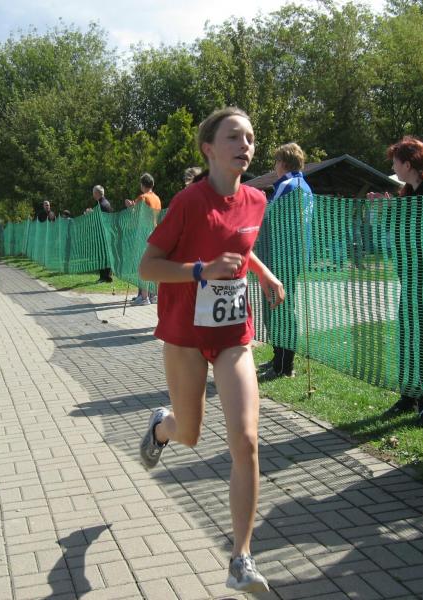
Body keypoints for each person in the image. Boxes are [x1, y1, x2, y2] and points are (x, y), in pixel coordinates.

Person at [137, 107, 284, 593]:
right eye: (234, 137)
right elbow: (148, 267)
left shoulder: (257, 199)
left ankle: (241, 557)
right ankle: (161, 427)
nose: (245, 146)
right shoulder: (187, 202)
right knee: (190, 432)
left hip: (232, 334)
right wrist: (199, 270)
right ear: (209, 149)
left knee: (246, 440)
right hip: (184, 333)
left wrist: (263, 274)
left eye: (250, 138)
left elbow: (239, 244)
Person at [368, 137, 423, 425]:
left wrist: (394, 210)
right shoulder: (406, 192)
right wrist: (387, 209)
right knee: (409, 331)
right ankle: (410, 395)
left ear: (407, 164)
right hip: (412, 273)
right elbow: (399, 229)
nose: (392, 167)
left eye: (395, 162)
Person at [257, 143, 313, 380]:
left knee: (280, 309)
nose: (275, 166)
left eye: (276, 161)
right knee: (283, 307)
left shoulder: (286, 185)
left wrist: (261, 203)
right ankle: (279, 357)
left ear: (283, 163)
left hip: (282, 257)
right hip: (297, 256)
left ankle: (283, 365)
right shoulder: (305, 185)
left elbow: (267, 215)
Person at [126, 173, 162, 305]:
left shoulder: (143, 197)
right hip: (155, 231)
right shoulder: (157, 198)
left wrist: (130, 207)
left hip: (143, 233)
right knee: (153, 264)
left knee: (142, 264)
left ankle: (144, 297)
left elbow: (135, 215)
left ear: (142, 185)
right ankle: (154, 295)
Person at [89, 185, 115, 284]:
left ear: (96, 193)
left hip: (102, 234)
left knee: (101, 255)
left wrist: (90, 214)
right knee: (105, 255)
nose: (93, 195)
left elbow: (97, 220)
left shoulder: (101, 205)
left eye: (93, 193)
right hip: (107, 233)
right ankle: (107, 276)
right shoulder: (106, 203)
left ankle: (104, 277)